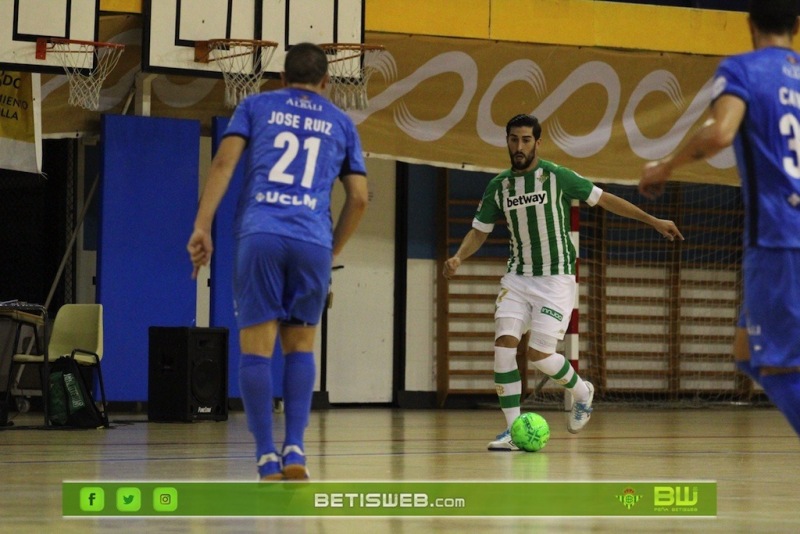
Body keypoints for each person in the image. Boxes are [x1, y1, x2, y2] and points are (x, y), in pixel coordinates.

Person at [444, 114, 684, 450]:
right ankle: (514, 431)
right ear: (507, 141)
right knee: (503, 348)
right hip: (517, 277)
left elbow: (606, 199)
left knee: (540, 355)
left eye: (526, 140)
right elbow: (479, 231)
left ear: (537, 143)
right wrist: (459, 257)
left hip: (556, 278)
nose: (519, 146)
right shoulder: (499, 186)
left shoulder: (556, 177)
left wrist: (652, 220)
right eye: (513, 139)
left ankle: (582, 390)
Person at [187, 42, 369, 479]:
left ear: (282, 79)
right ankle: (297, 451)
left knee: (256, 350)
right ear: (327, 83)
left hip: (262, 234)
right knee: (300, 346)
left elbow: (223, 165)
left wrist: (202, 226)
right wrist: (331, 250)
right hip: (312, 241)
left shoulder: (256, 105)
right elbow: (360, 198)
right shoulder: (341, 122)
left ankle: (266, 455)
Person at [639, 0, 800, 437]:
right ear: (796, 26)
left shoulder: (744, 70)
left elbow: (722, 132)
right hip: (784, 233)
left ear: (749, 24)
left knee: (778, 365)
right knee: (747, 351)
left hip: (778, 236)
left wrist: (666, 166)